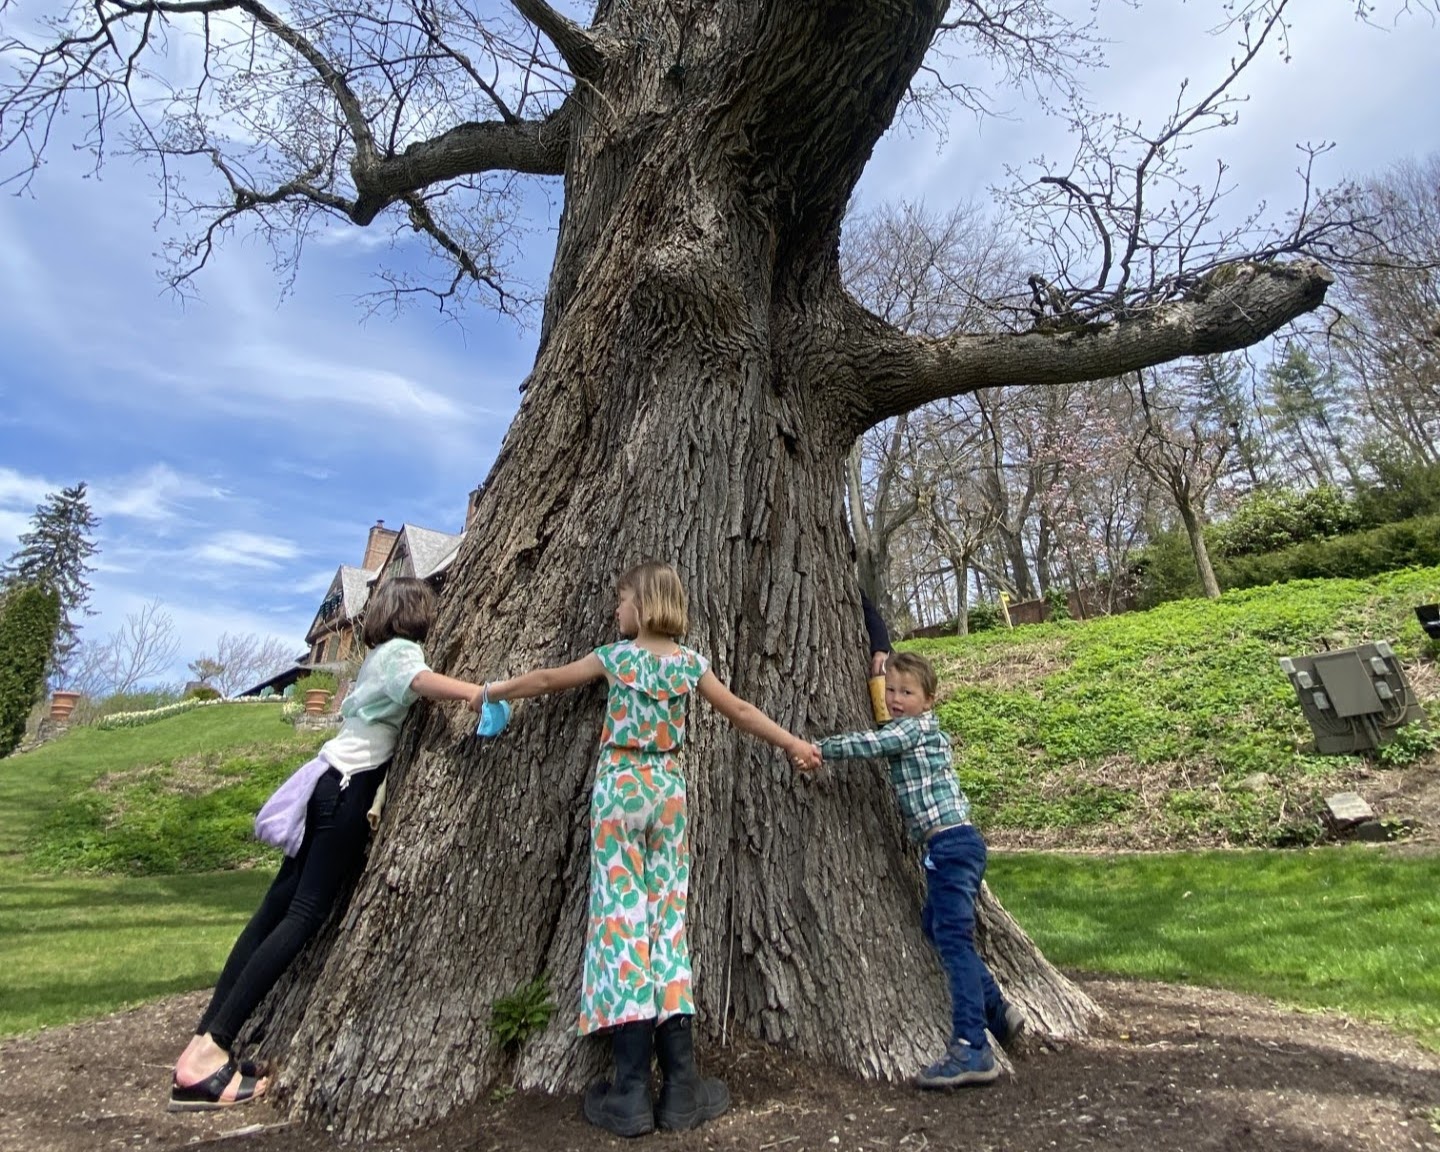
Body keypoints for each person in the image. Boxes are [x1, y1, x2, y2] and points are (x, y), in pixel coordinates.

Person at [483, 561, 820, 1137]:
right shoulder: (689, 665)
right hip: (667, 793)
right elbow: (739, 711)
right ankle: (682, 1091)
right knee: (668, 921)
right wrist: (793, 743)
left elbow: (544, 680)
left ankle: (632, 1091)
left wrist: (490, 689)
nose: (615, 611)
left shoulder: (616, 659)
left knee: (621, 922)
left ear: (641, 604)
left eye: (620, 601)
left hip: (619, 791)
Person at [169, 577, 488, 1111]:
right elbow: (423, 680)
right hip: (348, 788)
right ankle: (207, 1056)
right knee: (302, 914)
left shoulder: (376, 656)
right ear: (415, 616)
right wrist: (478, 693)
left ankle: (205, 1042)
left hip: (329, 781)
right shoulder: (401, 652)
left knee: (274, 911)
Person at [795, 651, 1024, 1089]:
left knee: (955, 940)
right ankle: (998, 1009)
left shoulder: (912, 730)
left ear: (929, 699)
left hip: (953, 845)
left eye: (907, 692)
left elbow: (871, 744)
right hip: (951, 845)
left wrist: (818, 748)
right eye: (891, 691)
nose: (896, 699)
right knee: (936, 927)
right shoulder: (919, 728)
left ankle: (972, 1045)